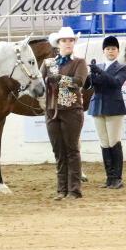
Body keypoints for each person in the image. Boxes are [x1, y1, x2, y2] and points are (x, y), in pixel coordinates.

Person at [42, 26, 89, 200]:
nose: (68, 43)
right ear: (58, 44)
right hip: (52, 110)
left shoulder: (79, 62)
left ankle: (74, 189)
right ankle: (61, 189)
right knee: (58, 151)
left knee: (72, 149)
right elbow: (40, 84)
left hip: (71, 110)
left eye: (71, 40)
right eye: (64, 40)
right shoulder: (48, 63)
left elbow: (79, 82)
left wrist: (61, 79)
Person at [87, 35, 126, 189]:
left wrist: (100, 73)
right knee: (104, 143)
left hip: (114, 108)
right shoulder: (98, 67)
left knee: (114, 142)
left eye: (113, 49)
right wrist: (91, 77)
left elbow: (116, 83)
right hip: (98, 107)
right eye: (108, 49)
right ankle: (109, 178)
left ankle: (117, 178)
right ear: (103, 51)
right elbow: (91, 86)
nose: (110, 51)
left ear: (118, 51)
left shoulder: (122, 68)